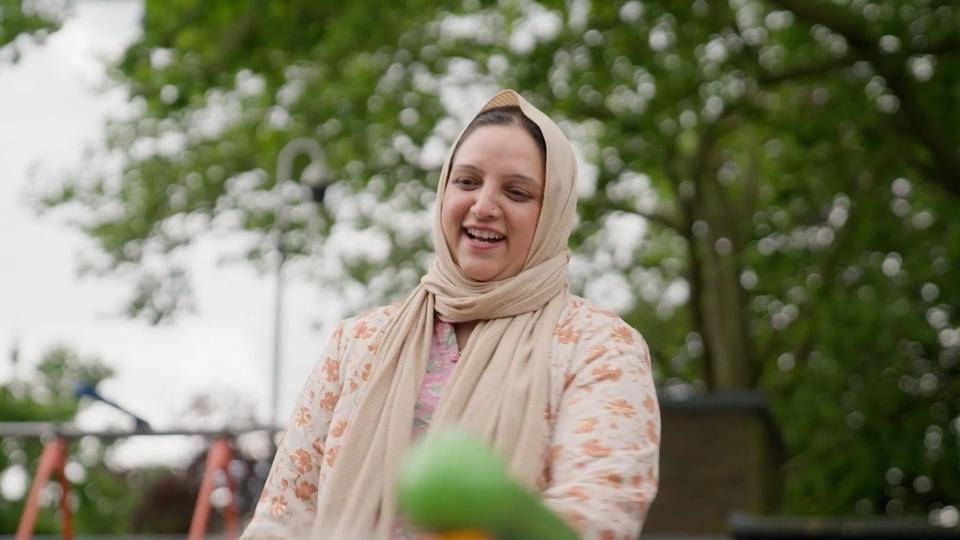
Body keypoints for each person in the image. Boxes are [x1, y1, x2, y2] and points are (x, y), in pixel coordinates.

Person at [240, 90, 660, 540]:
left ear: (554, 211)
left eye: (516, 191)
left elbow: (597, 516)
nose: (484, 205)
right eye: (467, 182)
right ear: (443, 192)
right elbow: (284, 515)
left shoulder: (599, 346)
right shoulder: (359, 341)